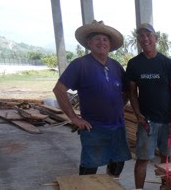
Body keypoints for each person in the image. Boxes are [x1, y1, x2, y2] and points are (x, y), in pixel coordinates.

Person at [53, 20, 131, 177]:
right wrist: (74, 118)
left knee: (117, 164)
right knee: (89, 168)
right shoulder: (80, 64)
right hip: (93, 127)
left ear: (110, 44)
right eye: (97, 39)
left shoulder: (116, 66)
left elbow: (127, 89)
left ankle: (111, 188)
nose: (102, 42)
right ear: (89, 43)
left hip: (117, 127)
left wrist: (118, 107)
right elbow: (59, 90)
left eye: (105, 39)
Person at [125, 23, 171, 190]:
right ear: (138, 40)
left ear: (155, 38)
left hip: (167, 121)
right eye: (141, 36)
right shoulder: (134, 64)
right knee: (143, 159)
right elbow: (132, 93)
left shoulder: (167, 64)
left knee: (166, 159)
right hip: (146, 122)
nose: (145, 39)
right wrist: (137, 114)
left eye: (148, 35)